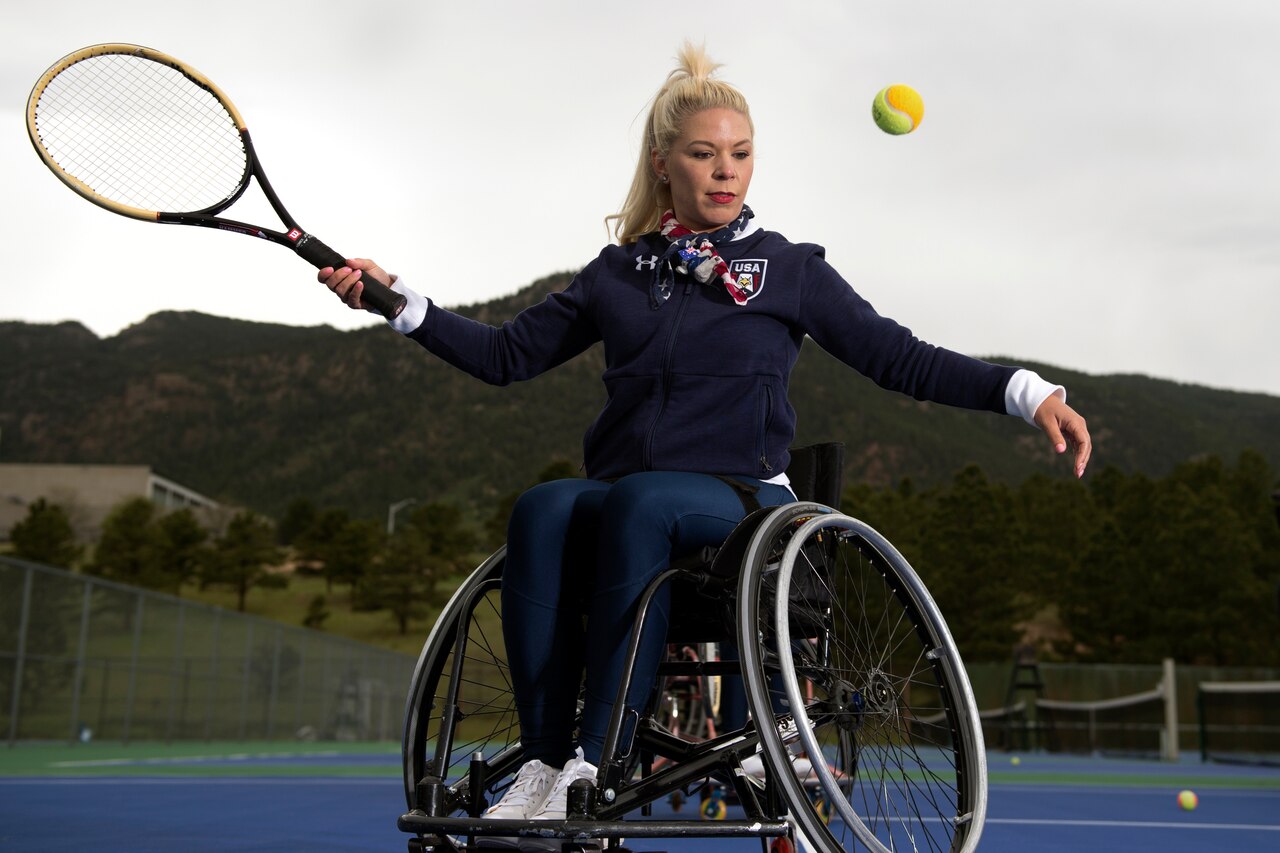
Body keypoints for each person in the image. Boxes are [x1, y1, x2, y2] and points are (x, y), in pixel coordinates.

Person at [319, 43, 1090, 848]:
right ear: (664, 165)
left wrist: (1027, 392)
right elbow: (504, 356)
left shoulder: (787, 267)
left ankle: (596, 762)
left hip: (742, 506)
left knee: (640, 501)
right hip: (627, 499)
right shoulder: (618, 272)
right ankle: (545, 768)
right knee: (544, 507)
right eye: (704, 154)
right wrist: (395, 300)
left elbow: (898, 357)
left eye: (741, 154)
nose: (726, 171)